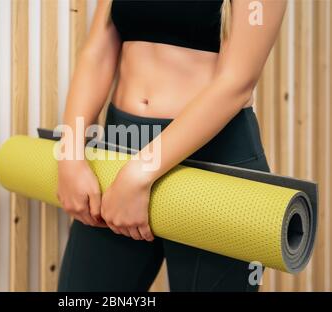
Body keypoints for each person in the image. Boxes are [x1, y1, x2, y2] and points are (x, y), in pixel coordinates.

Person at [56, 0, 287, 291]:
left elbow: (236, 84)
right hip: (122, 151)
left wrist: (141, 171)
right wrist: (71, 152)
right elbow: (96, 53)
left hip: (213, 163)